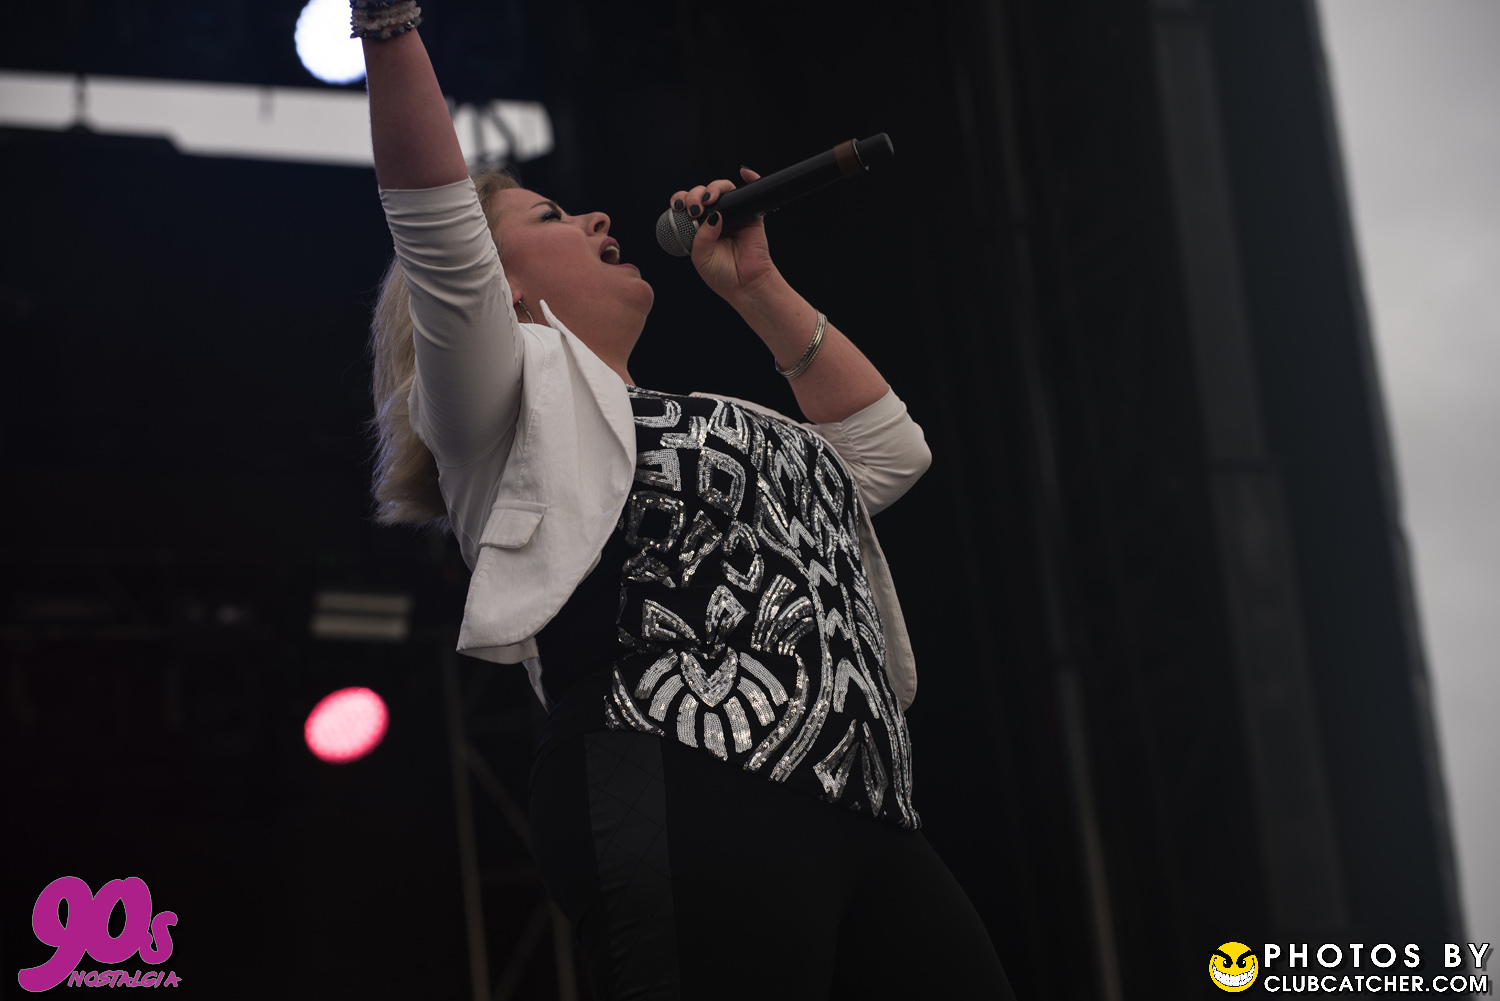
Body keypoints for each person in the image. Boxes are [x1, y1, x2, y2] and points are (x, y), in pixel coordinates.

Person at [357, 3, 1016, 997]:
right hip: (676, 770)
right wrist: (390, 23)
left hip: (863, 800)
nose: (596, 218)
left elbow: (887, 453)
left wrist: (755, 283)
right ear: (499, 291)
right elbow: (433, 217)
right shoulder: (504, 405)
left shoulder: (712, 416)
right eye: (551, 217)